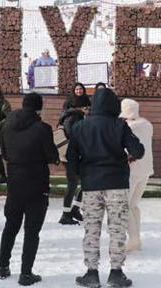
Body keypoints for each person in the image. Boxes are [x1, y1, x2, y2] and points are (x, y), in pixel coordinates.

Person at [68, 88, 145, 288]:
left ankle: (91, 273)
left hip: (91, 184)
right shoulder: (120, 125)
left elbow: (71, 159)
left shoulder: (79, 127)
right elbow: (138, 150)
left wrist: (80, 174)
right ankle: (116, 272)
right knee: (117, 228)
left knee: (91, 228)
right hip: (117, 183)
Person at [0, 93, 59, 286]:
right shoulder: (43, 128)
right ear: (39, 108)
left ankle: (2, 267)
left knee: (11, 226)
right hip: (36, 181)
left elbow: (4, 154)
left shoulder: (6, 125)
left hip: (15, 180)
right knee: (32, 230)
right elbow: (51, 155)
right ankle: (26, 273)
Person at [119, 98, 153, 253]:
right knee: (133, 205)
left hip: (132, 169)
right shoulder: (147, 124)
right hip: (146, 169)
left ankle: (133, 238)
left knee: (124, 205)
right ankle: (136, 238)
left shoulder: (129, 127)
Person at [58, 82, 92, 225]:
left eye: (80, 89)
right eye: (76, 89)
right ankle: (65, 214)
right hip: (72, 153)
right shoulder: (71, 114)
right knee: (72, 182)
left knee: (85, 181)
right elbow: (71, 133)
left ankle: (75, 209)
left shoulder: (88, 107)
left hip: (81, 152)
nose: (78, 91)